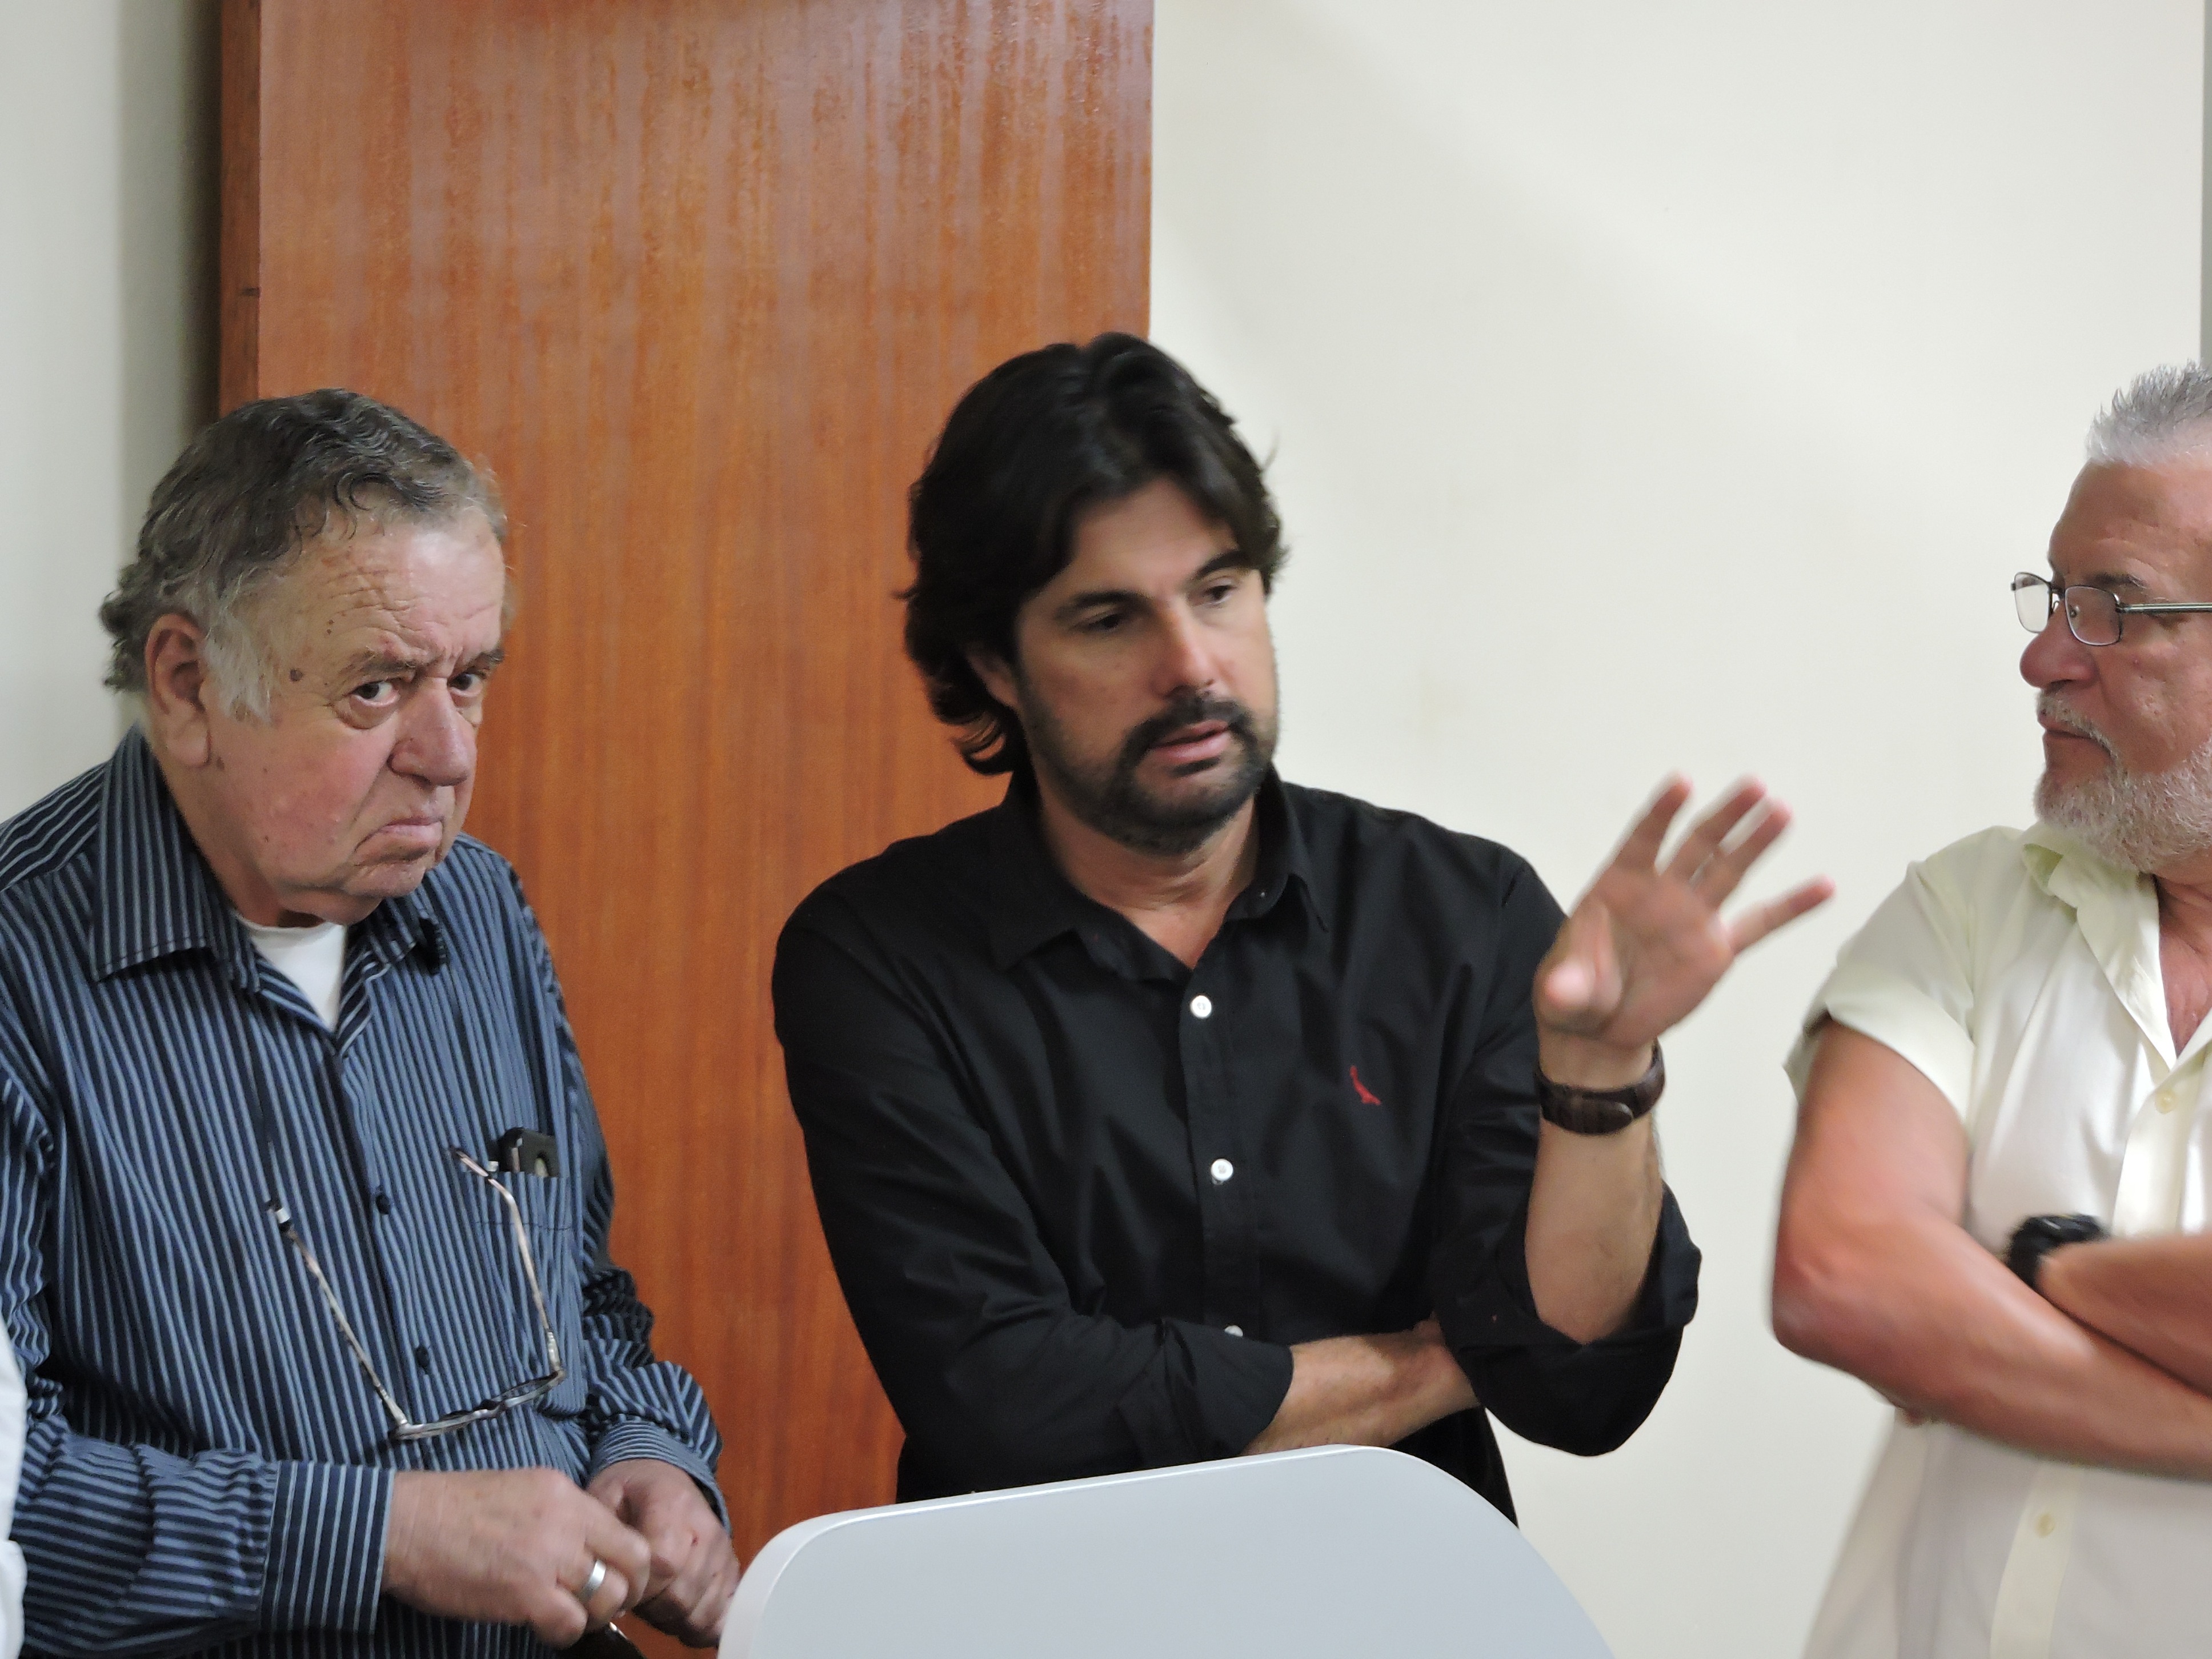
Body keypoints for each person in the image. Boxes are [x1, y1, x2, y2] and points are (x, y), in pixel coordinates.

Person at [772, 333, 1829, 1512]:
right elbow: (1014, 1413)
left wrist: (1599, 1072)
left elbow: (1580, 1388)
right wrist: (1442, 1360)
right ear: (996, 666)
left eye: (1219, 592)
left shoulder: (1460, 914)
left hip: (1405, 1597)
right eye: (1110, 620)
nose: (1191, 666)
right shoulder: (878, 960)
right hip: (1048, 1602)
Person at [0, 390, 738, 1654]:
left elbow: (584, 1299)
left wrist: (651, 1451)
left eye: (471, 679)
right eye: (378, 688)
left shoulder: (480, 906)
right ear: (186, 684)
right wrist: (385, 1535)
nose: (448, 754)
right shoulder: (21, 971)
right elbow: (12, 1505)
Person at [1774, 363, 2212, 1659]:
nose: (2043, 657)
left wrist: (2016, 1269)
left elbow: (1911, 1284)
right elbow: (1840, 1277)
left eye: (2112, 608)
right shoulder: (1968, 907)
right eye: (2053, 596)